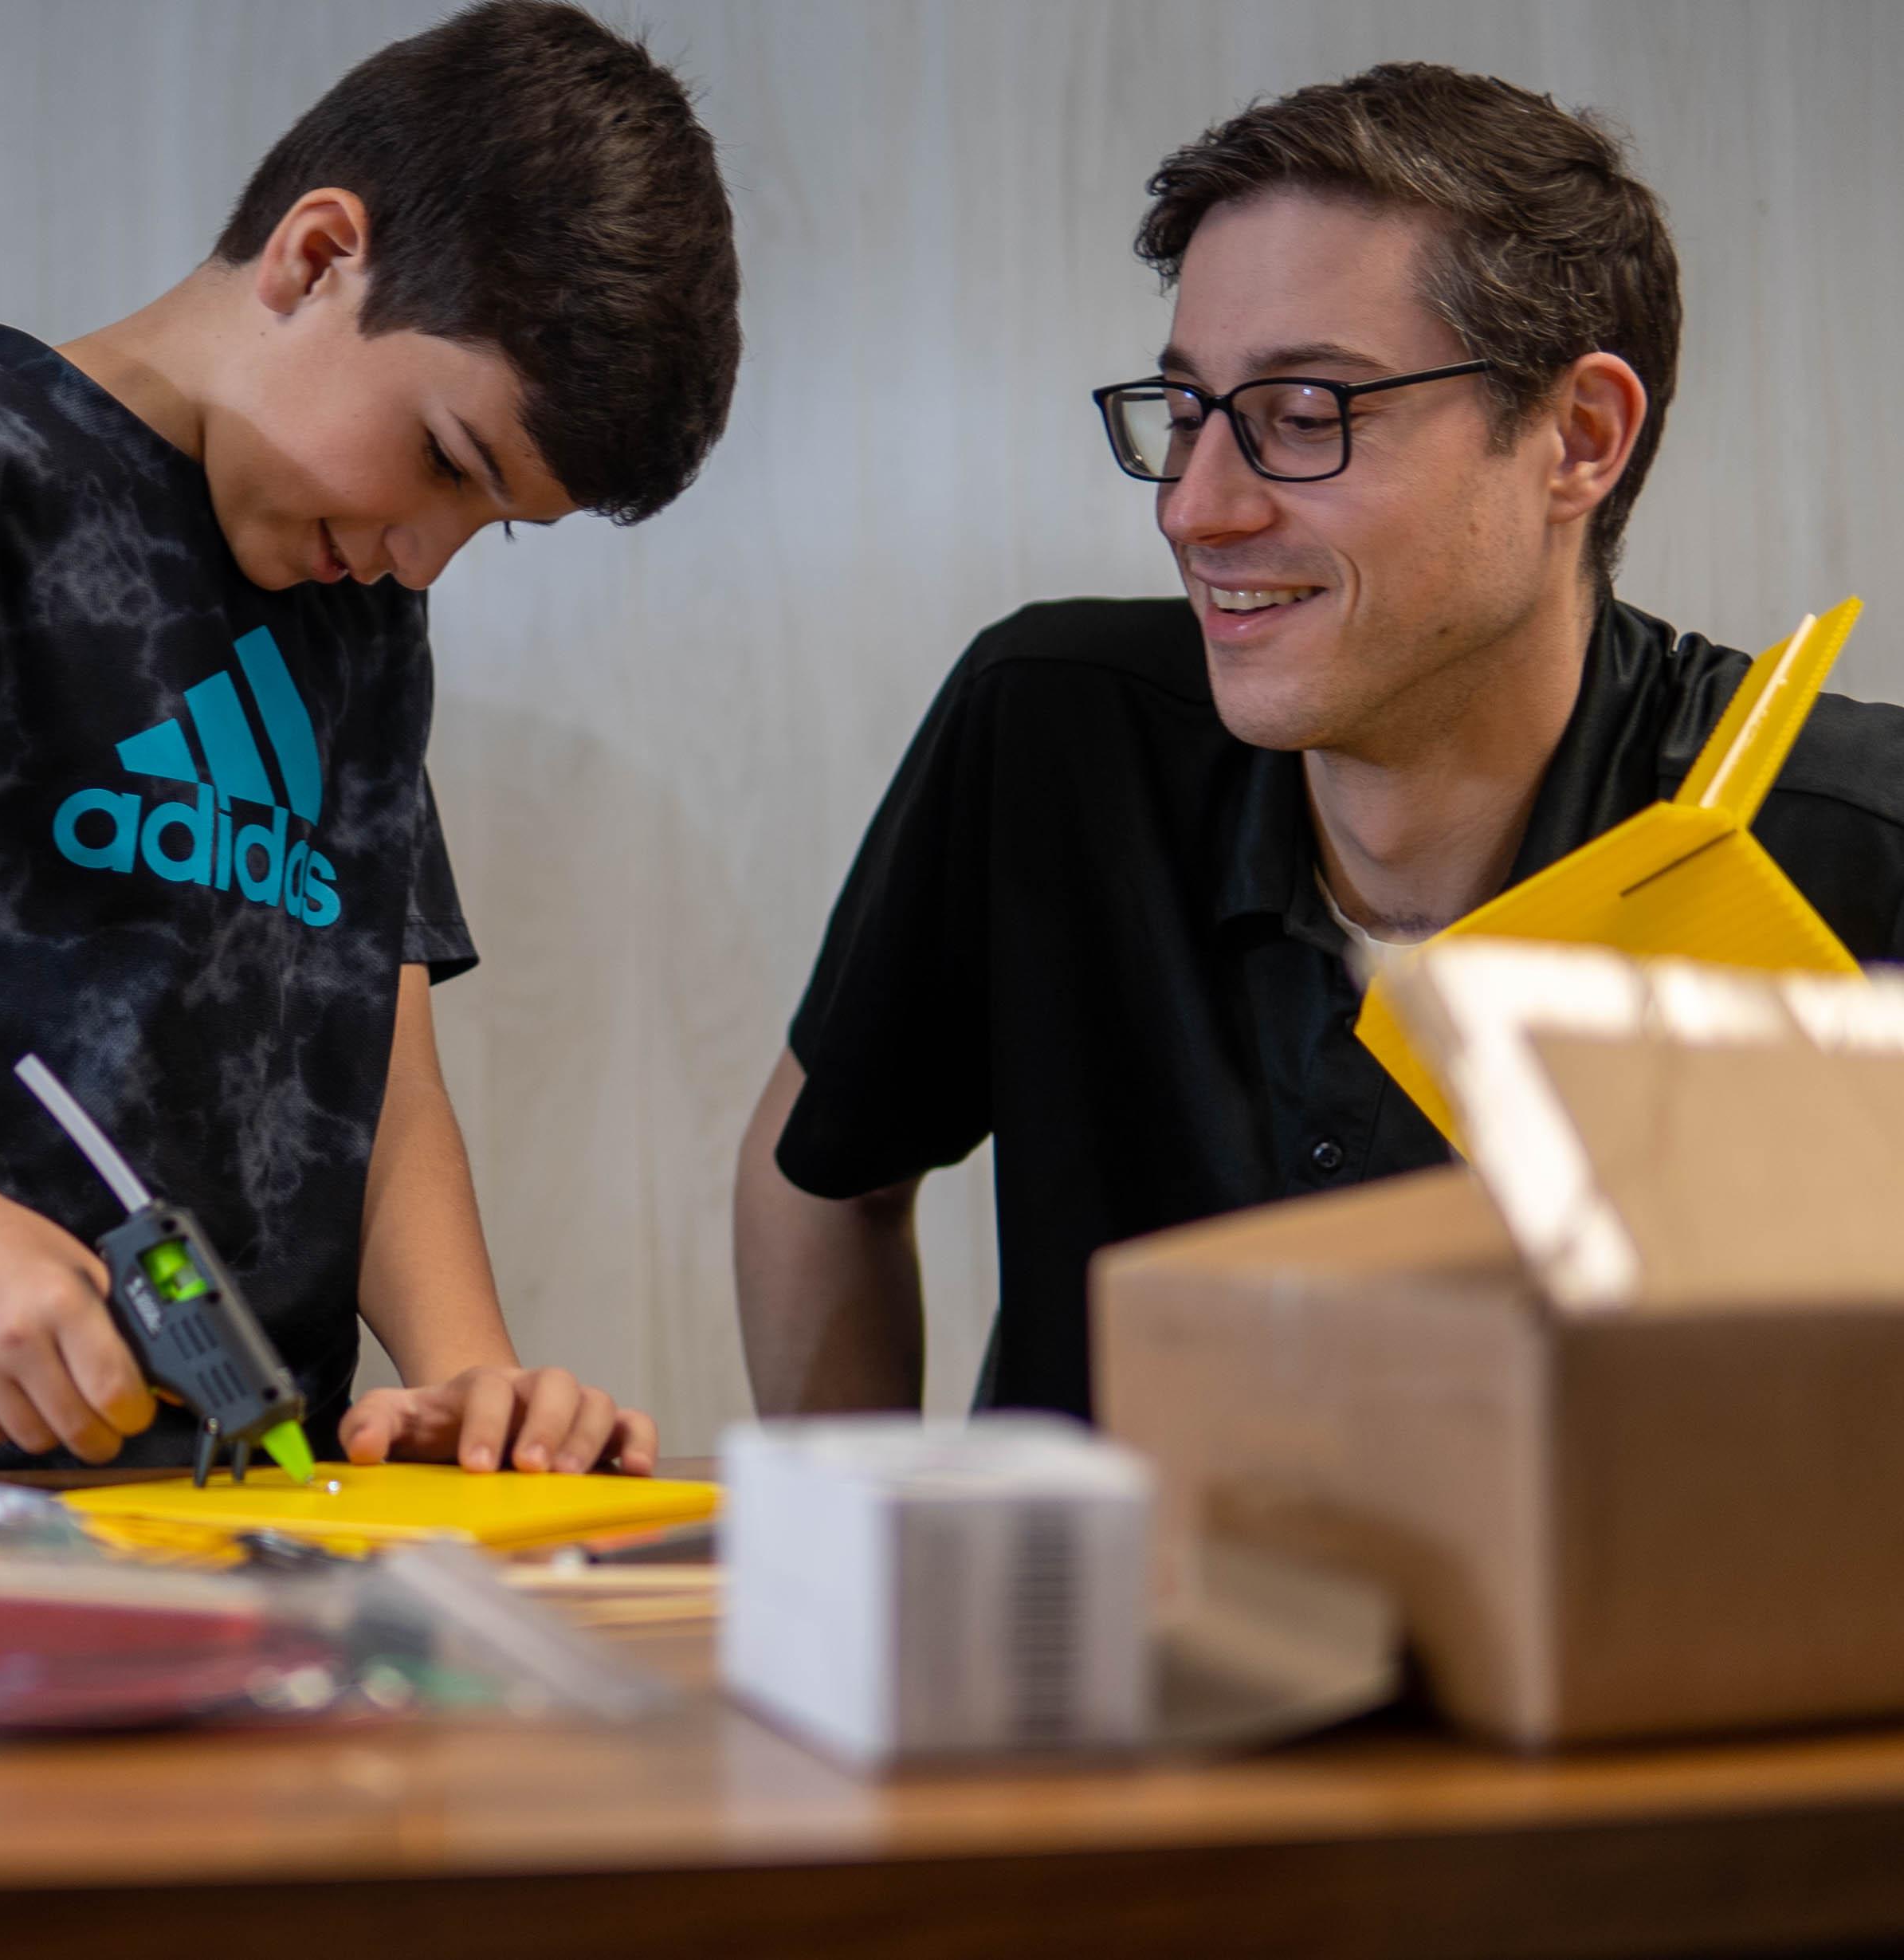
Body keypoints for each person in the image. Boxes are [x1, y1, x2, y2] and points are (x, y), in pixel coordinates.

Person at [0, 1, 737, 1477]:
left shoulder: (359, 615)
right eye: (444, 460)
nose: (426, 559)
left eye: (491, 524)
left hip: (253, 1506)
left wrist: (469, 1380)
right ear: (316, 256)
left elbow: (384, 1080)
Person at [736, 62, 1904, 1422]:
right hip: (1101, 1632)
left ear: (1578, 439)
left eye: (1306, 417)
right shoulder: (1055, 724)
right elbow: (819, 1174)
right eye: (1184, 416)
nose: (1195, 511)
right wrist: (883, 1594)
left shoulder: (1848, 848)